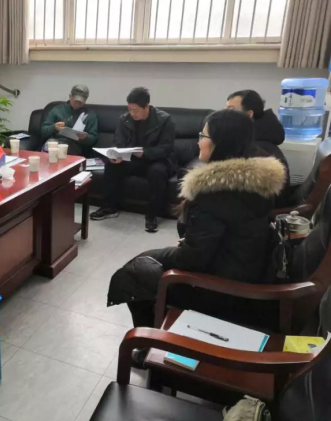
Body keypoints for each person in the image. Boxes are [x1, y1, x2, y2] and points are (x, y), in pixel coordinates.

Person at [107, 109, 286, 336]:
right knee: (145, 260)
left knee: (134, 273)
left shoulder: (215, 193)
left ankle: (149, 342)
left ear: (220, 143)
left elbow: (191, 259)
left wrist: (183, 246)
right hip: (241, 268)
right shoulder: (255, 182)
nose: (198, 141)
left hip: (220, 290)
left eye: (203, 136)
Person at [90, 87, 176, 233]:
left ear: (147, 107)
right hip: (133, 158)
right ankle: (109, 207)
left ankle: (152, 215)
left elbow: (166, 148)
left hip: (157, 160)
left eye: (136, 110)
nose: (132, 113)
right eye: (129, 109)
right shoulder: (125, 119)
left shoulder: (164, 120)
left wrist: (146, 153)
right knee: (111, 166)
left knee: (157, 172)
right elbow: (118, 141)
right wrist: (116, 155)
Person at [226, 89, 291, 205]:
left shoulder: (256, 149)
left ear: (249, 114)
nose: (225, 115)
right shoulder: (259, 136)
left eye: (231, 110)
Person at [40, 84, 98, 156]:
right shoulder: (57, 110)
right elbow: (43, 131)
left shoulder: (90, 115)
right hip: (54, 144)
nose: (77, 104)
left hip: (74, 148)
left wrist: (85, 137)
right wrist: (54, 127)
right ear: (70, 96)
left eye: (80, 102)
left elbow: (93, 138)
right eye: (75, 101)